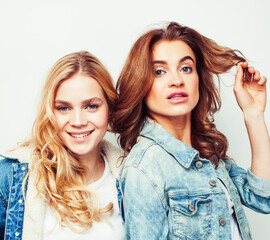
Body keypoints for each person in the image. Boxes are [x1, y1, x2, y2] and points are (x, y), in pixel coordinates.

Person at [113, 22, 270, 239]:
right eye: (159, 72)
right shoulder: (144, 169)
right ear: (140, 84)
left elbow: (263, 197)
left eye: (186, 68)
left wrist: (253, 114)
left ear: (198, 78)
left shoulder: (205, 152)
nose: (176, 81)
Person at [0, 51, 125, 240]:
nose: (78, 121)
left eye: (91, 106)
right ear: (50, 113)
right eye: (63, 108)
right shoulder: (11, 178)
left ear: (109, 110)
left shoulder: (131, 178)